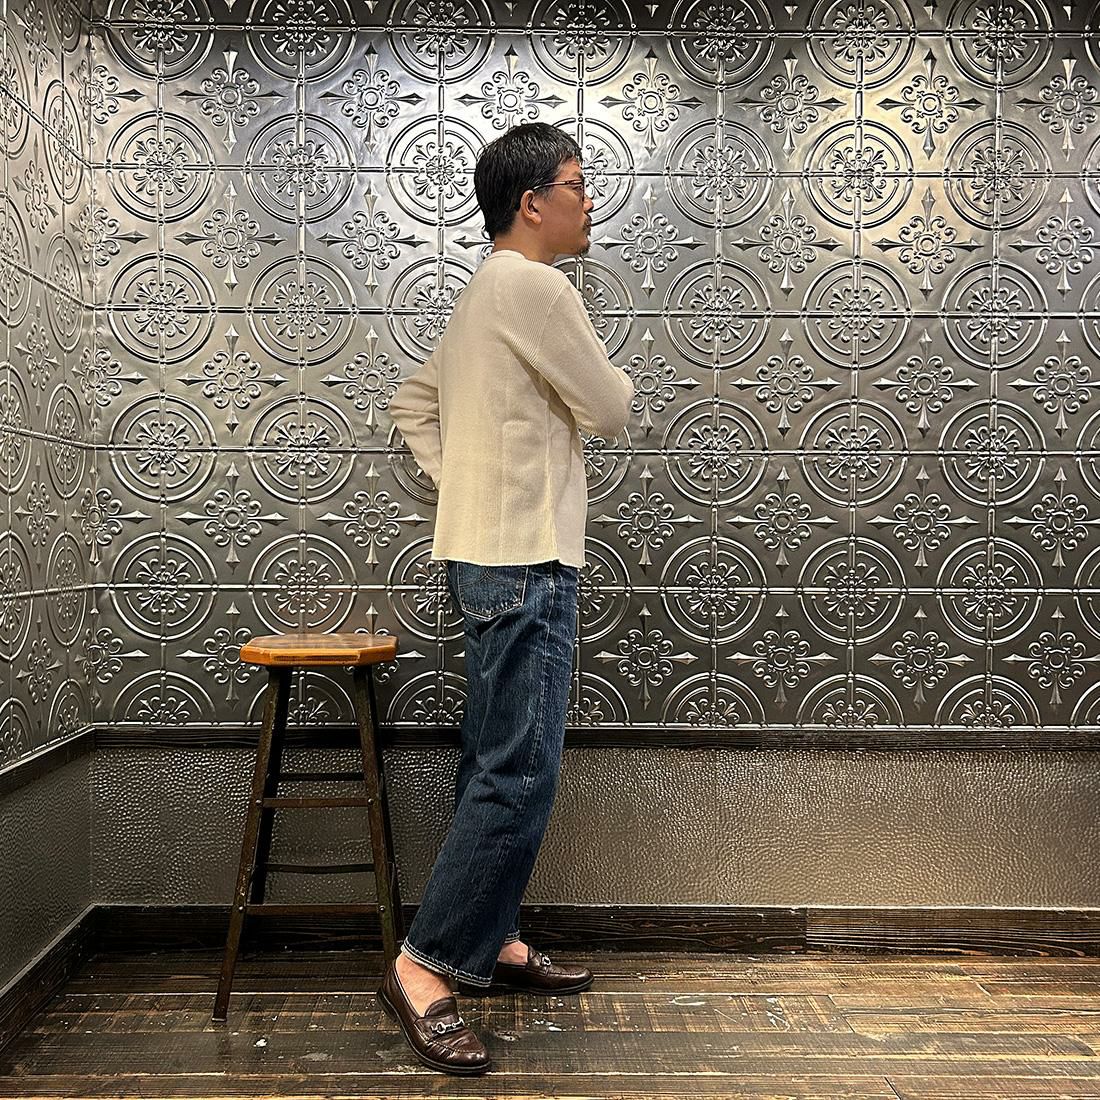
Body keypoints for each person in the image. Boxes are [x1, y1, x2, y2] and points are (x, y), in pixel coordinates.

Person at [381, 121, 634, 1075]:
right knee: (518, 772)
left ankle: (490, 940)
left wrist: (465, 482)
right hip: (526, 557)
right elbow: (612, 408)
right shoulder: (536, 287)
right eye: (577, 184)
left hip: (484, 557)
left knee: (492, 757)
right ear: (532, 203)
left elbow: (413, 402)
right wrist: (487, 482)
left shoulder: (481, 293)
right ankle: (424, 966)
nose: (588, 202)